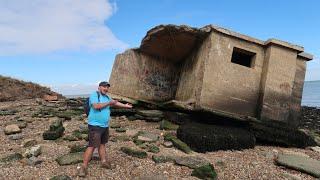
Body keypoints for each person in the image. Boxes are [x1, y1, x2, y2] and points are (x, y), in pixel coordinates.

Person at [77, 81, 132, 177]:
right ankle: (83, 167)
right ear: (99, 87)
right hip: (95, 126)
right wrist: (109, 103)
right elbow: (96, 106)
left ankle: (103, 162)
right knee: (92, 146)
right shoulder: (94, 95)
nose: (106, 89)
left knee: (102, 144)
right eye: (104, 87)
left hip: (104, 126)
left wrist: (125, 106)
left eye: (107, 87)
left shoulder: (107, 97)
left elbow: (115, 103)